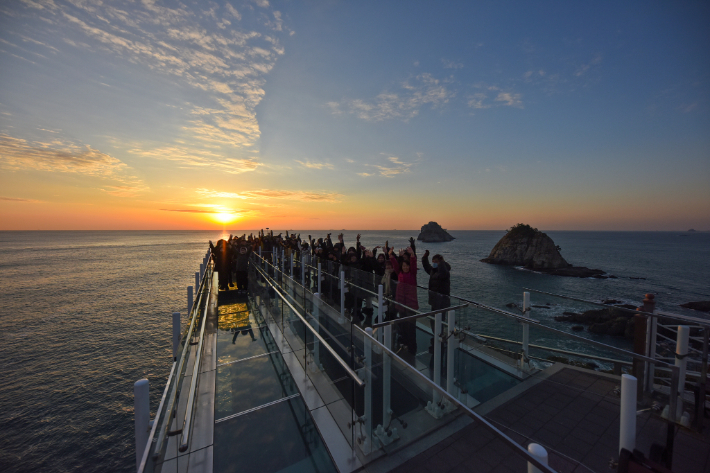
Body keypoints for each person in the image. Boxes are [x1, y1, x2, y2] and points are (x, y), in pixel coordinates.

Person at [390, 246, 418, 355]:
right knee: (403, 325)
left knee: (411, 327)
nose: (405, 267)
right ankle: (404, 342)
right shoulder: (399, 274)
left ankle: (412, 348)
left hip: (411, 304)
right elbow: (395, 264)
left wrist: (412, 255)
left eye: (407, 266)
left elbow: (414, 265)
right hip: (401, 303)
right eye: (404, 266)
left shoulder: (412, 274)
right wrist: (391, 255)